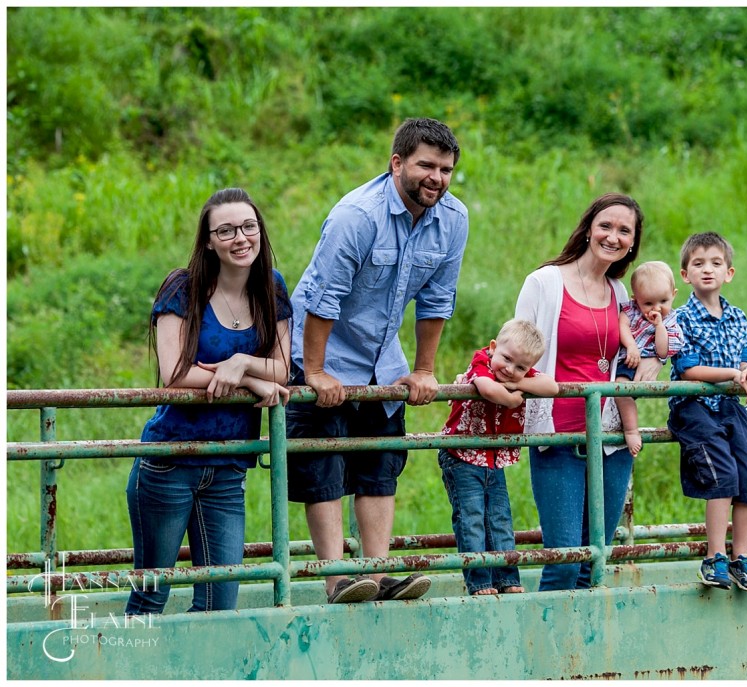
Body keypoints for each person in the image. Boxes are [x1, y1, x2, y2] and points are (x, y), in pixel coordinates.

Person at [287, 118, 468, 603]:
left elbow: (437, 301)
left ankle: (377, 570)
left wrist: (425, 369)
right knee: (322, 461)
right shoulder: (357, 216)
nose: (436, 177)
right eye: (426, 165)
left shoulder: (453, 219)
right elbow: (324, 300)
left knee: (381, 461)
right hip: (319, 348)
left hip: (381, 356)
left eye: (446, 169)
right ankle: (336, 578)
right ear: (397, 163)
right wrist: (317, 372)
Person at [125, 188, 292, 615]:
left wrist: (242, 363)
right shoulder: (183, 287)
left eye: (249, 226)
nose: (241, 238)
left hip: (229, 465)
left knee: (221, 600)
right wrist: (252, 382)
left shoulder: (270, 288)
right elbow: (175, 373)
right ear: (208, 241)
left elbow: (283, 369)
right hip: (170, 460)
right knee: (151, 595)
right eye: (227, 230)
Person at [514, 192, 656, 591]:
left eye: (624, 231)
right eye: (606, 226)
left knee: (594, 561)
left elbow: (645, 351)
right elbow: (513, 350)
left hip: (609, 438)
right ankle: (549, 652)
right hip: (559, 436)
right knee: (562, 561)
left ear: (632, 242)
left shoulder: (621, 293)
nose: (613, 236)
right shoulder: (545, 282)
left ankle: (582, 654)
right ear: (589, 227)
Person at [666, 231, 747, 593]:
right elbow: (689, 370)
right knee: (721, 473)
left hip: (729, 406)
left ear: (729, 273)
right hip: (694, 408)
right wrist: (734, 374)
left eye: (716, 263)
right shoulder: (679, 319)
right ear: (685, 274)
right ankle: (715, 556)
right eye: (698, 264)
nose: (707, 270)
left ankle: (742, 557)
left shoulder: (738, 317)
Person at [439, 319, 559, 595]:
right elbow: (487, 389)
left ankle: (507, 578)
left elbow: (552, 387)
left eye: (521, 367)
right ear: (493, 348)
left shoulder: (516, 375)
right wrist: (514, 398)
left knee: (500, 519)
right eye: (506, 359)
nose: (510, 369)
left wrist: (522, 382)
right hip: (462, 455)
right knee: (471, 519)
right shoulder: (481, 362)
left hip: (492, 459)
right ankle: (479, 581)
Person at [613, 260, 684, 456]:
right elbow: (622, 325)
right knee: (621, 388)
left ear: (673, 295)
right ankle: (630, 429)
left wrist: (659, 326)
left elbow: (662, 351)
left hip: (645, 366)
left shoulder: (671, 322)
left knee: (622, 390)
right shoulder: (631, 311)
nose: (657, 308)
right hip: (626, 361)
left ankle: (631, 429)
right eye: (648, 303)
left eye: (663, 301)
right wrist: (631, 346)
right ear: (636, 300)